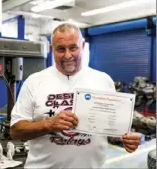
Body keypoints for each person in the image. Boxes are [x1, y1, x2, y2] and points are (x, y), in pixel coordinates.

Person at [10, 23, 141, 168]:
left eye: (73, 48)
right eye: (61, 49)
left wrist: (126, 138)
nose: (67, 55)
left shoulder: (103, 80)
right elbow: (16, 131)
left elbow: (111, 126)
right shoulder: (34, 82)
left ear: (83, 46)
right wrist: (49, 124)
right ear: (51, 49)